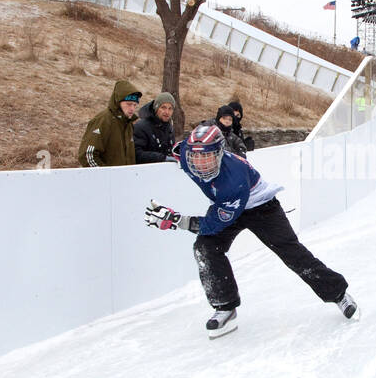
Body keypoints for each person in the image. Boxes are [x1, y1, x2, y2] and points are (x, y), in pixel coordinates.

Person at [144, 122, 358, 337]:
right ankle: (225, 306)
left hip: (261, 208)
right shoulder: (186, 156)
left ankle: (338, 294)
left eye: (207, 156)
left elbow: (213, 224)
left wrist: (177, 221)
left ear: (220, 153)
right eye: (195, 157)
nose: (200, 164)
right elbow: (178, 150)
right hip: (225, 205)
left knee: (291, 251)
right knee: (205, 247)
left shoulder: (233, 179)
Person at [78, 80, 141, 167]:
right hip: (106, 175)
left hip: (125, 175)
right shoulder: (103, 120)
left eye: (135, 105)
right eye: (129, 104)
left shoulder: (128, 123)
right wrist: (105, 173)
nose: (132, 109)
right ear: (118, 102)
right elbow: (87, 155)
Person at [133, 92, 178, 163]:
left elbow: (171, 150)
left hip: (165, 168)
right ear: (156, 108)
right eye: (163, 107)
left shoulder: (169, 127)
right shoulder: (141, 127)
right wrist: (162, 158)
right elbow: (137, 154)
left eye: (170, 108)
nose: (167, 112)